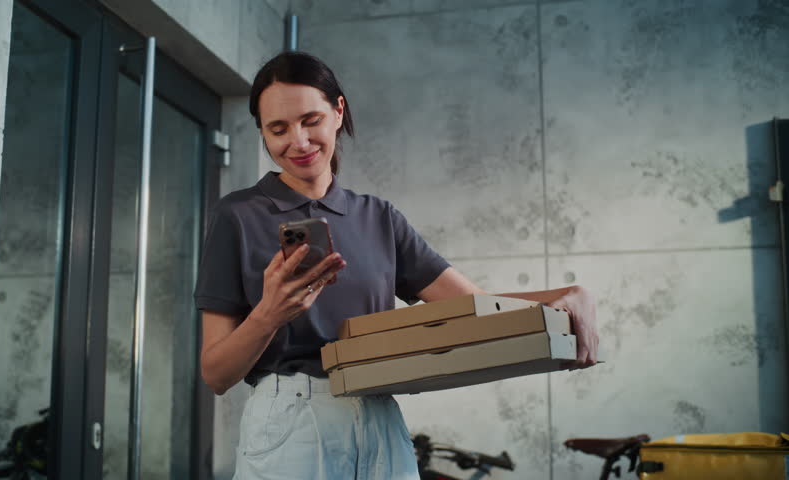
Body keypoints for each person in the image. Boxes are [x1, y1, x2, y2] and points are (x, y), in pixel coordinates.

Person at [194, 51, 599, 480]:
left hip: (380, 416)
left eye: (310, 120)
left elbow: (476, 306)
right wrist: (269, 316)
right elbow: (216, 374)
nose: (298, 141)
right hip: (290, 422)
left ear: (338, 111)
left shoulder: (379, 217)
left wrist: (568, 297)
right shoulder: (237, 216)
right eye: (278, 129)